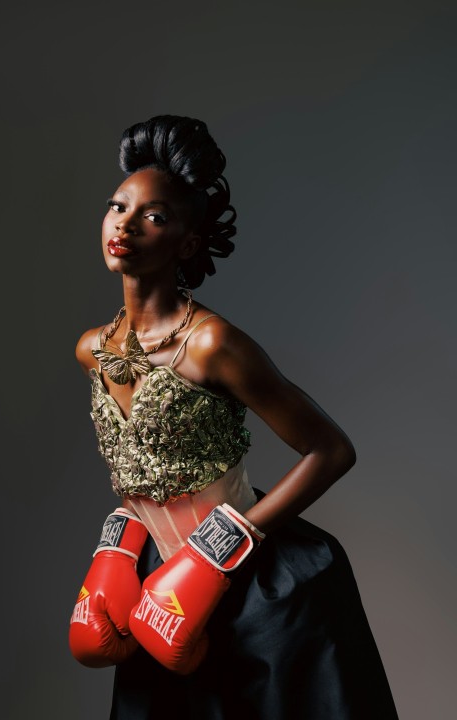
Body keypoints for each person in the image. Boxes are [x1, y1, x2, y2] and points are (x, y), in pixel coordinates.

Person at [69, 115, 399, 719]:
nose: (126, 224)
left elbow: (331, 450)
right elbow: (142, 471)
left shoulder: (212, 343)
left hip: (253, 588)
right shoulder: (92, 348)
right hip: (153, 595)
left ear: (188, 243)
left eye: (155, 216)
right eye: (118, 207)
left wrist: (214, 549)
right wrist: (117, 544)